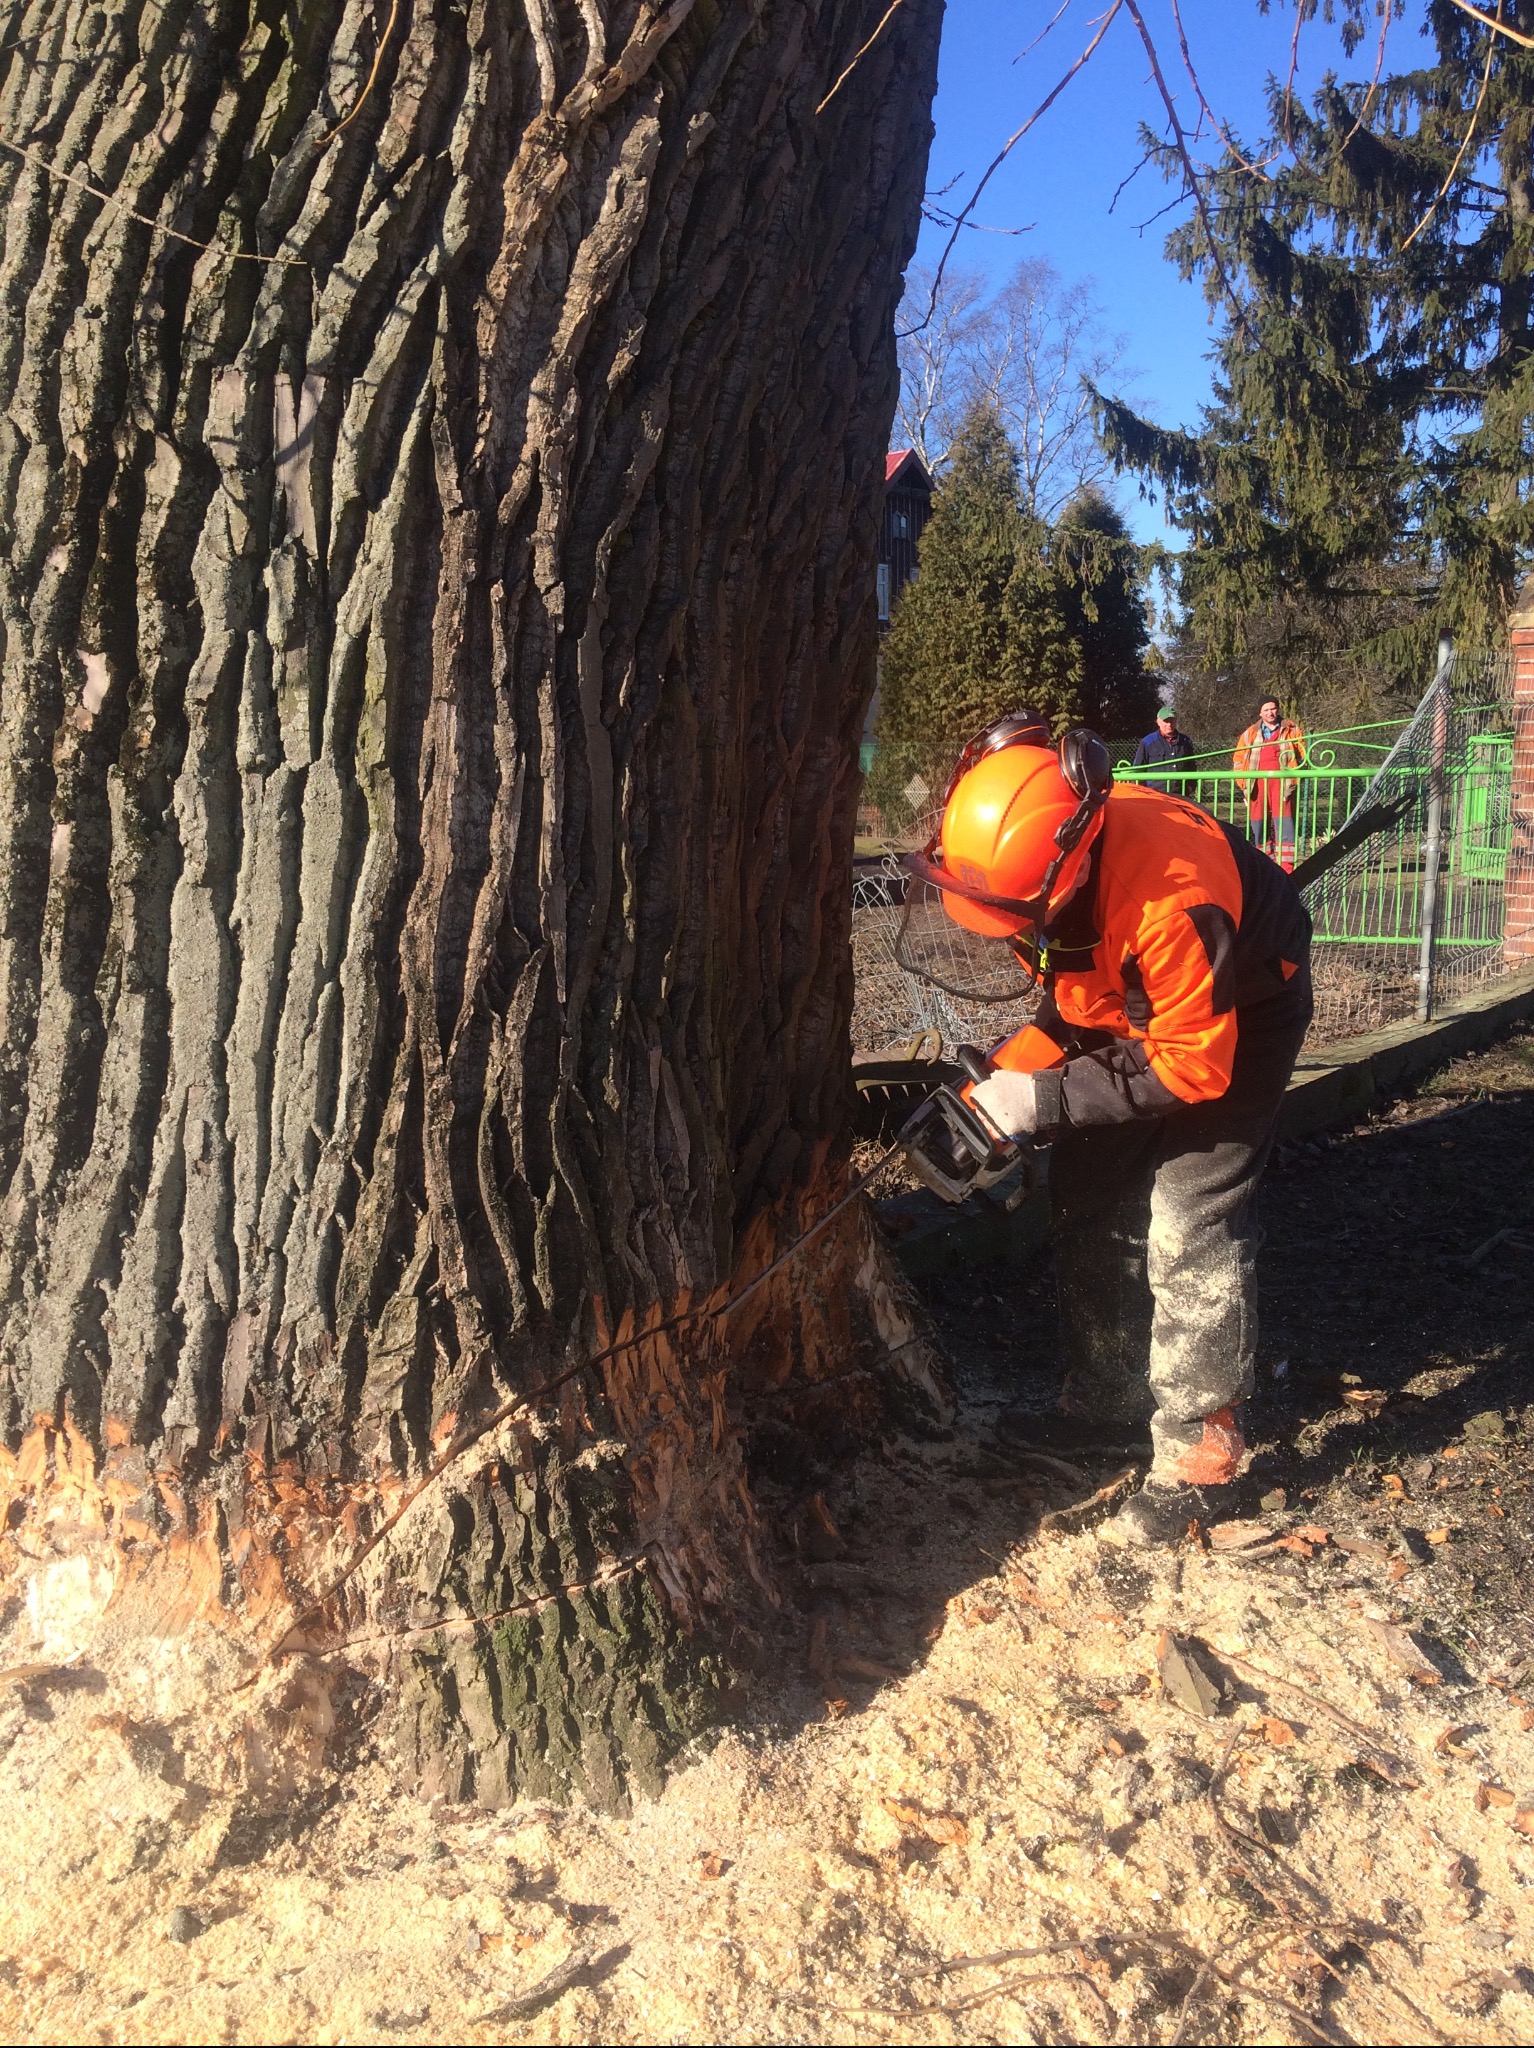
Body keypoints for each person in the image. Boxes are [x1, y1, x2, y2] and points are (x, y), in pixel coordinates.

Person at [906, 714, 1312, 1546]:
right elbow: (1081, 995)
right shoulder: (1043, 869)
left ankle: (1202, 1450)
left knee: (1190, 1213)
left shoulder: (1172, 899)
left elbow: (1190, 1065)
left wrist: (1042, 1103)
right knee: (1085, 1187)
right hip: (1142, 1008)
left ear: (1074, 857)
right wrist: (1010, 1080)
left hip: (1238, 1016)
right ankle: (1107, 1394)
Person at [1233, 697, 1307, 873]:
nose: (1270, 713)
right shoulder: (1250, 733)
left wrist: (1295, 780)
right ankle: (1264, 864)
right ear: (1260, 713)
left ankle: (1287, 869)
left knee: (1285, 823)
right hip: (1256, 786)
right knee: (1259, 824)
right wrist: (1244, 785)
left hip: (1283, 784)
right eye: (1266, 710)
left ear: (1278, 709)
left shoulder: (1291, 729)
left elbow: (1303, 756)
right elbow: (1238, 760)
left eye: (1273, 709)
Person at [1130, 705, 1197, 786]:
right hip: (1155, 793)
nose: (1169, 724)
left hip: (1181, 792)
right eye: (1166, 721)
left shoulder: (1186, 741)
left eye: (1172, 720)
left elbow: (1191, 766)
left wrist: (1191, 786)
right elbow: (1137, 768)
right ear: (1158, 722)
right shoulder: (1147, 742)